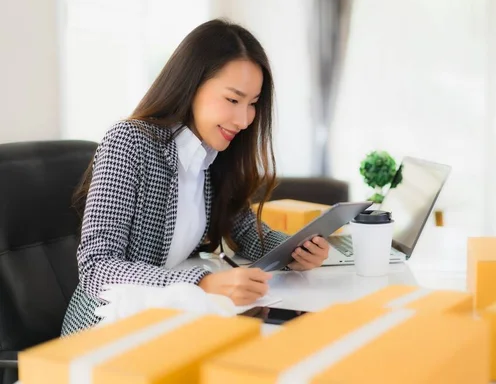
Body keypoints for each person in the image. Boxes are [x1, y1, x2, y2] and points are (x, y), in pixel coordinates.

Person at [61, 19, 330, 335]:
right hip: (107, 328)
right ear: (191, 86)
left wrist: (295, 250)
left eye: (253, 104)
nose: (244, 119)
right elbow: (97, 267)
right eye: (232, 99)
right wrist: (202, 283)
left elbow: (243, 229)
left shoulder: (211, 153)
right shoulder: (130, 141)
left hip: (171, 318)